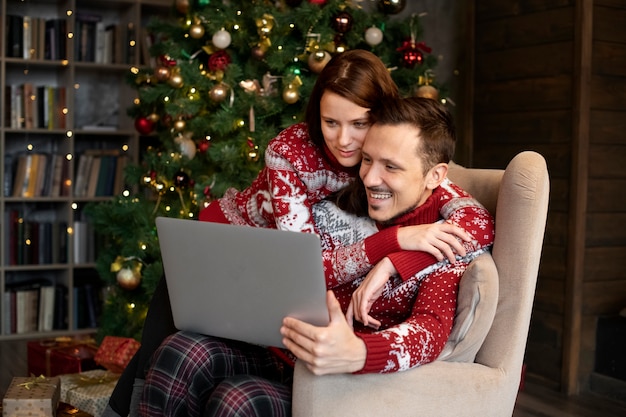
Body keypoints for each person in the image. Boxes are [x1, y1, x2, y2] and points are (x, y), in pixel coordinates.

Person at [104, 50, 471, 417]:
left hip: (302, 329)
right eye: (331, 123)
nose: (345, 141)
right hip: (233, 239)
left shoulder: (420, 192)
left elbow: (474, 222)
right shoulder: (293, 154)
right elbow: (307, 266)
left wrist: (397, 262)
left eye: (360, 125)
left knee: (216, 378)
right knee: (168, 341)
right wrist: (391, 244)